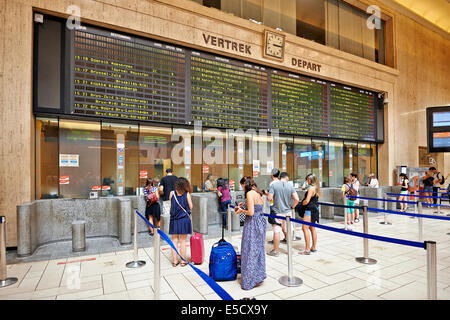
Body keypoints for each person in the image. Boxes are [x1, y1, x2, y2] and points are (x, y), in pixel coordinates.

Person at [234, 177, 267, 290]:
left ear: (245, 184)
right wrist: (245, 205)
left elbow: (251, 213)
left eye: (242, 185)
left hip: (252, 224)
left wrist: (241, 210)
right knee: (258, 250)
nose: (242, 188)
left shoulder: (249, 193)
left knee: (249, 250)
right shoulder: (259, 193)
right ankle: (258, 276)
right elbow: (258, 208)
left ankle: (249, 280)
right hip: (261, 223)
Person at [266, 172, 299, 257]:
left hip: (277, 212)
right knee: (288, 230)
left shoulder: (274, 185)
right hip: (288, 213)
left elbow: (269, 198)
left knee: (277, 231)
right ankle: (289, 250)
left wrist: (270, 197)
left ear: (281, 177)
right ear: (287, 178)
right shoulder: (290, 186)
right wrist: (292, 207)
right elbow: (297, 199)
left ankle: (276, 251)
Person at [169, 177, 193, 267]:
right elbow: (191, 207)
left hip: (174, 219)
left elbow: (172, 205)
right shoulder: (187, 194)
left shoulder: (172, 193)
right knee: (183, 241)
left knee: (174, 240)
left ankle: (175, 261)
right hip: (184, 220)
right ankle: (183, 261)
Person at [263, 169, 288, 245]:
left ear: (272, 174)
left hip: (274, 206)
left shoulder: (272, 183)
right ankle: (287, 239)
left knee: (275, 226)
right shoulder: (282, 182)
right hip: (283, 206)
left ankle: (276, 242)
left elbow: (271, 197)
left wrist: (266, 193)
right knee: (283, 224)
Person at [298, 174, 320, 255]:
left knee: (305, 228)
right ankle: (313, 247)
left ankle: (307, 249)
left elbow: (307, 201)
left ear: (311, 180)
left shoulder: (311, 188)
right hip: (314, 210)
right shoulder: (316, 188)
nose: (307, 181)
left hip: (309, 210)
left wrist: (301, 203)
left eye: (308, 180)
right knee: (312, 229)